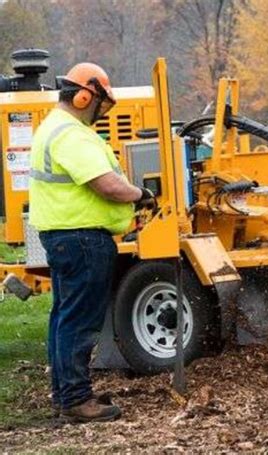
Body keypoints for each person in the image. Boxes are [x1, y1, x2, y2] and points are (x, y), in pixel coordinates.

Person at [29, 62, 154, 423]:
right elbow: (106, 185)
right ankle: (76, 400)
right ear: (85, 95)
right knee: (79, 321)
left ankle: (67, 392)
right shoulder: (70, 133)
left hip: (69, 237)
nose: (101, 112)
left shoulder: (55, 128)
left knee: (64, 317)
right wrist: (142, 194)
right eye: (101, 103)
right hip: (81, 238)